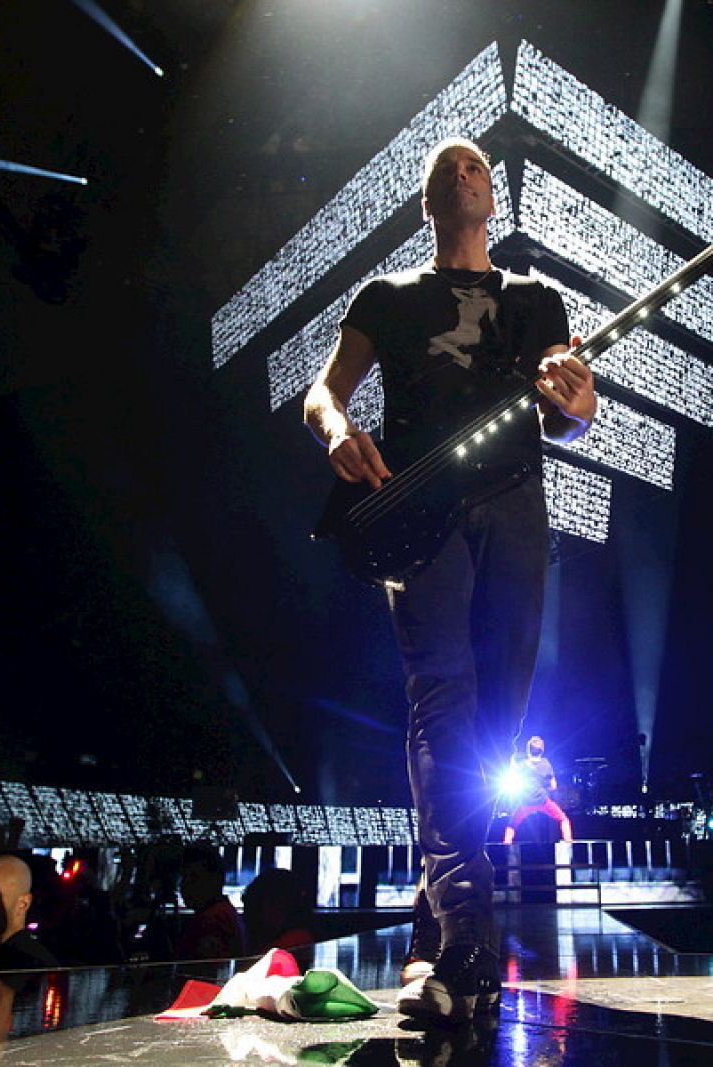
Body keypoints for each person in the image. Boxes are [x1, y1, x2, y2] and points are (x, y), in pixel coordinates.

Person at [304, 136, 596, 1025]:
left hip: (513, 505)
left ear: (493, 201)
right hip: (416, 512)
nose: (467, 175)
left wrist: (577, 404)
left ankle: (434, 937)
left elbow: (573, 416)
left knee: (497, 717)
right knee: (443, 700)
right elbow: (324, 388)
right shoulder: (389, 297)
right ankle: (467, 927)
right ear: (428, 201)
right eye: (450, 171)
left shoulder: (537, 300)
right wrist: (333, 431)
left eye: (478, 170)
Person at [173, 843, 244, 961]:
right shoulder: (223, 913)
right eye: (183, 877)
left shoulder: (213, 919)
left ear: (215, 880)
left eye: (194, 877)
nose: (185, 885)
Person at [503, 736, 573, 844]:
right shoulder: (546, 764)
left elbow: (512, 774)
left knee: (511, 826)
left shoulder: (522, 765)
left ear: (528, 750)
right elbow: (553, 786)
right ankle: (568, 844)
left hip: (525, 802)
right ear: (542, 750)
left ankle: (506, 848)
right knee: (563, 820)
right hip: (543, 801)